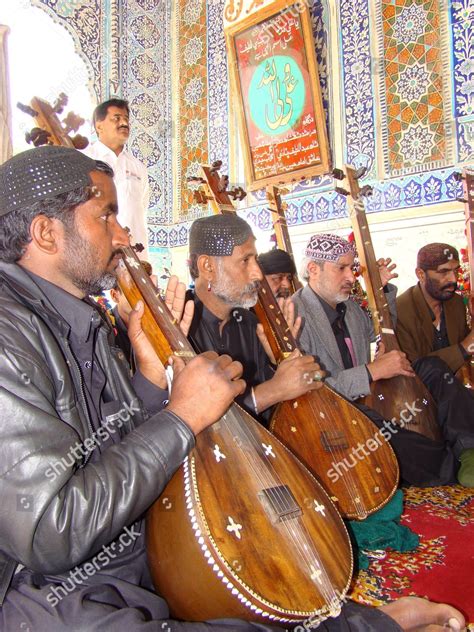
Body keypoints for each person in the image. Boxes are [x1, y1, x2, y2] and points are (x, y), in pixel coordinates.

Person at [0, 148, 465, 631]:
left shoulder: (85, 320)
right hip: (44, 591)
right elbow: (49, 533)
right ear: (46, 233)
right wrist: (182, 415)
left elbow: (113, 446)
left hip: (127, 544)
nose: (122, 235)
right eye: (105, 216)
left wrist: (148, 383)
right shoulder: (8, 333)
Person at [292, 233, 474, 487]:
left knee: (433, 368)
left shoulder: (347, 307)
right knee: (393, 436)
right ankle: (450, 470)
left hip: (368, 392)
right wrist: (371, 372)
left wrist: (382, 289)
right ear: (313, 269)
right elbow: (310, 388)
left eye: (351, 268)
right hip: (338, 410)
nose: (351, 277)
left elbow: (376, 330)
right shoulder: (296, 315)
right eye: (341, 268)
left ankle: (468, 449)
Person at [85, 97, 150, 258]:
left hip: (135, 252)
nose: (124, 123)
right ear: (99, 126)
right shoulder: (86, 161)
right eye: (116, 118)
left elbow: (142, 208)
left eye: (126, 119)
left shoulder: (138, 167)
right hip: (101, 252)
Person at [396, 242, 474, 373]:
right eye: (443, 272)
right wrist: (465, 347)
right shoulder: (400, 311)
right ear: (421, 274)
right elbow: (413, 368)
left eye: (456, 270)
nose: (453, 279)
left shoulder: (457, 302)